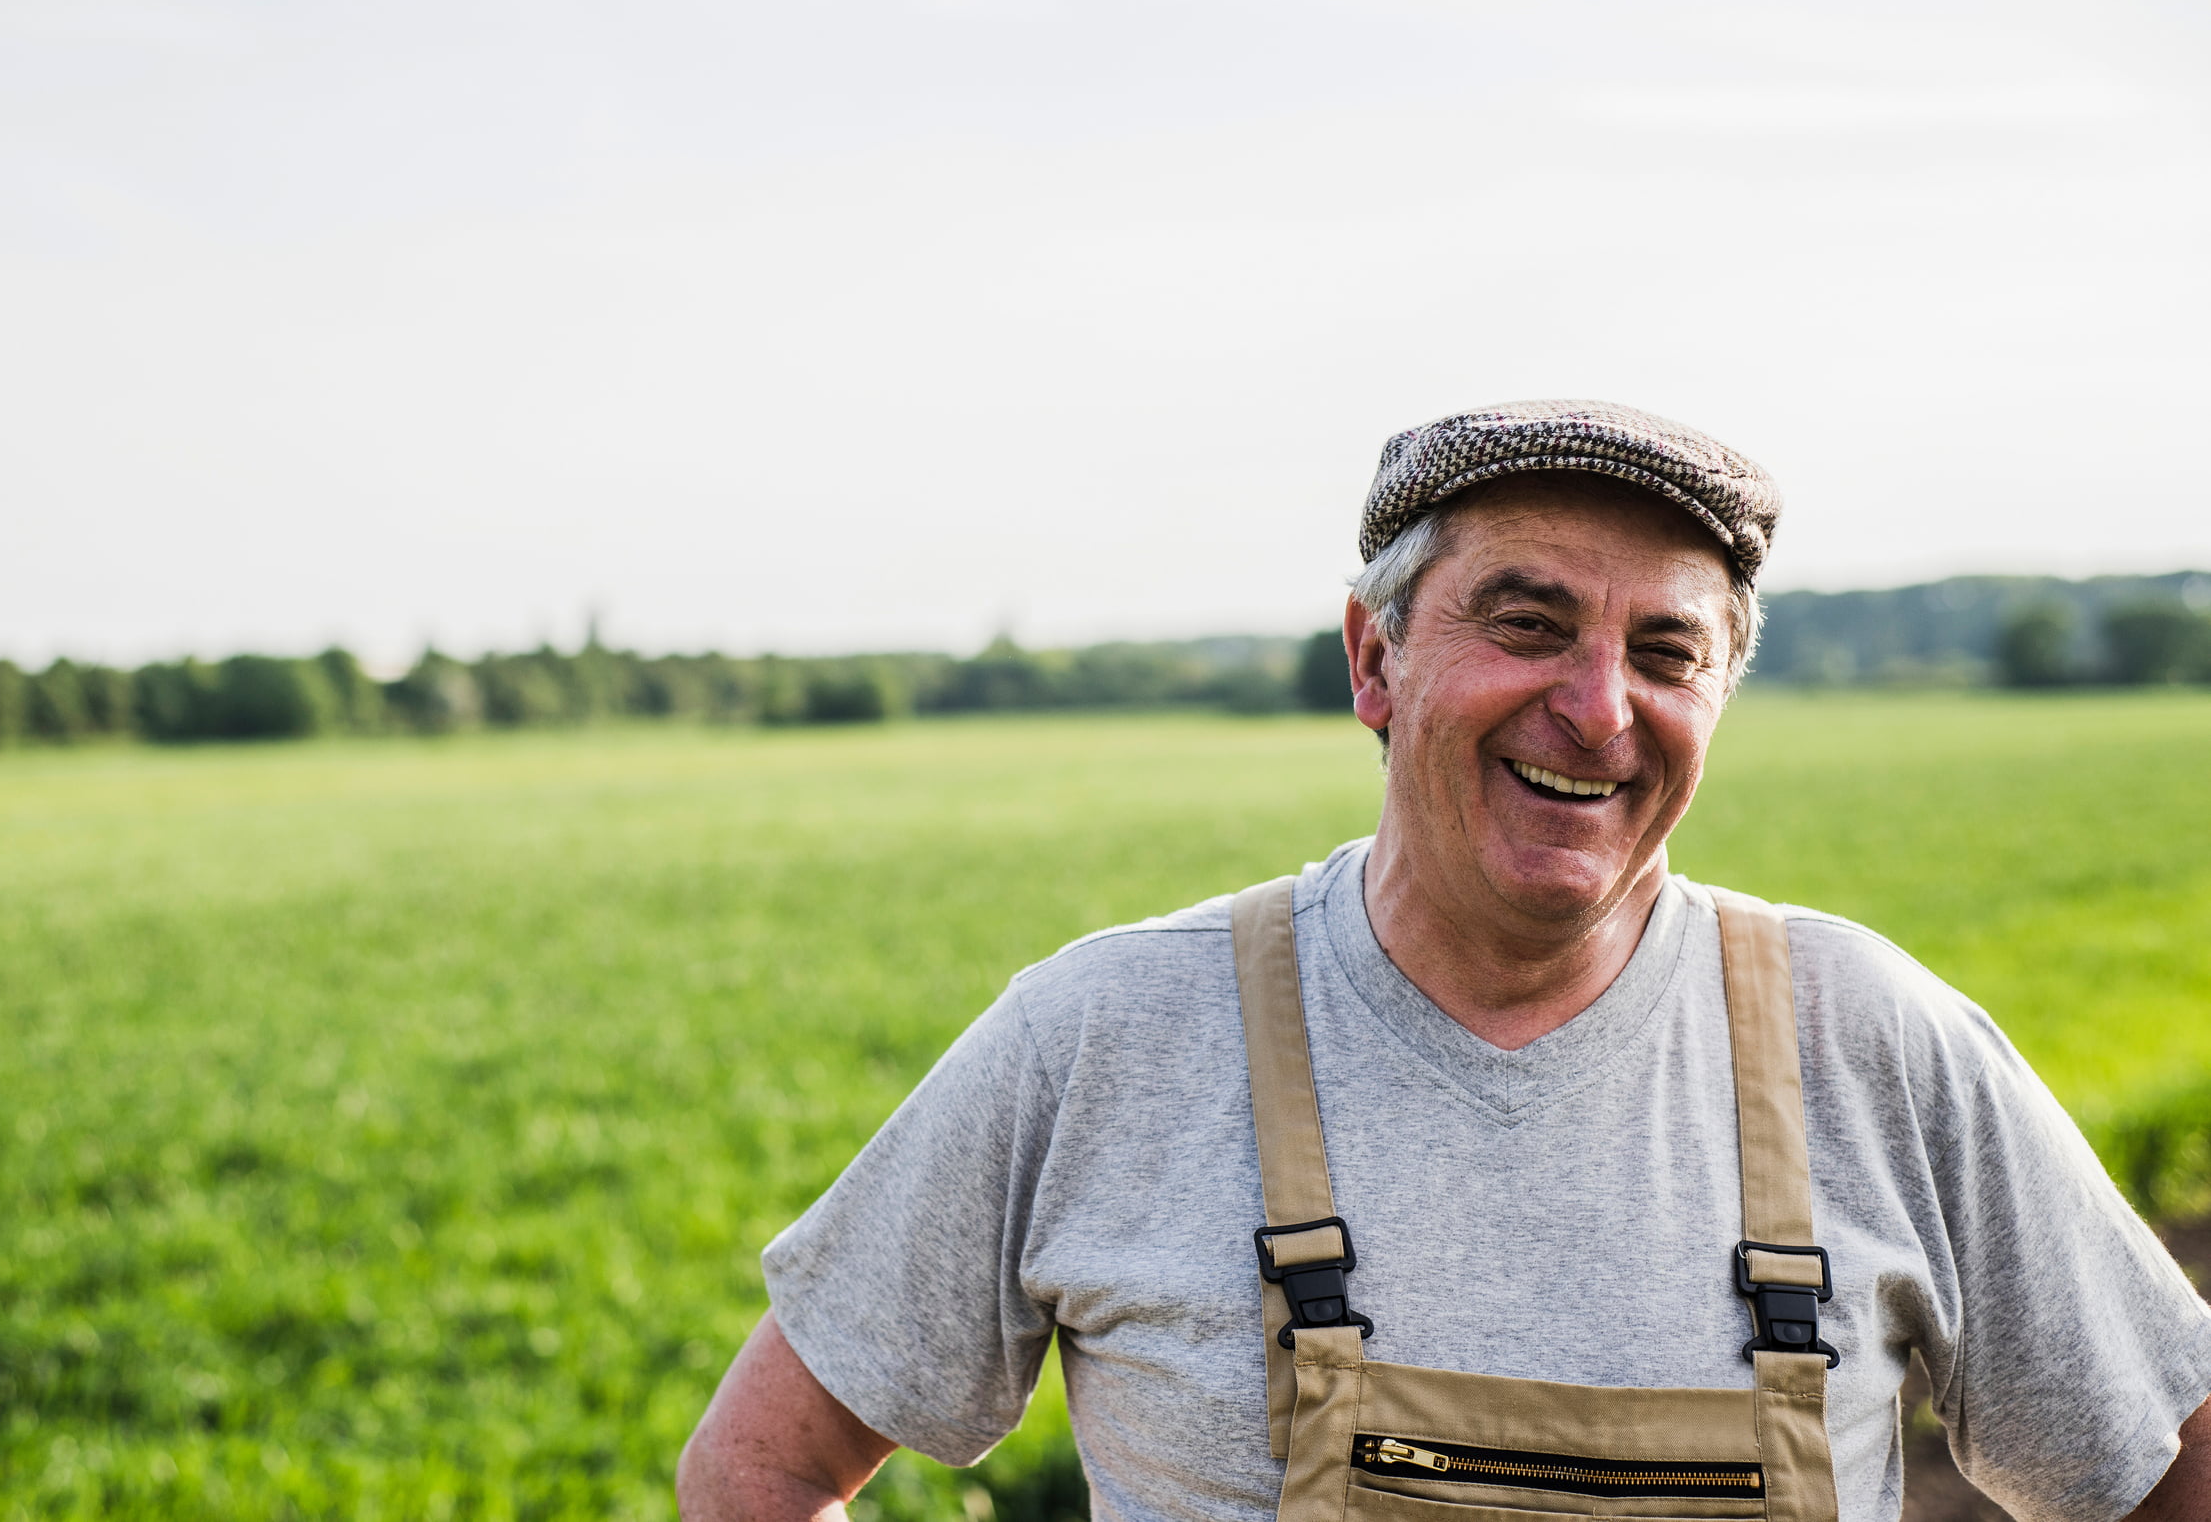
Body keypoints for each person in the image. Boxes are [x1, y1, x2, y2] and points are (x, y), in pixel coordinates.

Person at [679, 402, 2211, 1522]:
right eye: (1528, 624)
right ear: (1374, 660)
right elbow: (760, 1469)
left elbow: (2168, 1465)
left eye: (1667, 653)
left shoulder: (1874, 1044)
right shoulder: (1109, 1036)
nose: (1600, 709)